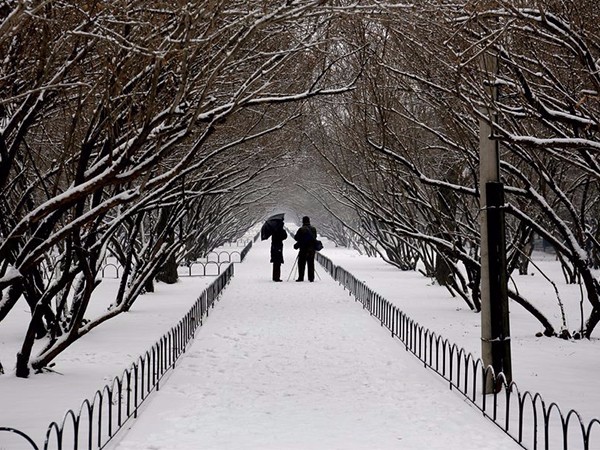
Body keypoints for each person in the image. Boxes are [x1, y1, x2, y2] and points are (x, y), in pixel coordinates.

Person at [293, 216, 317, 282]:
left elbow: (296, 238)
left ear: (303, 221)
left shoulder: (301, 229)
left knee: (301, 264)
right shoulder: (313, 229)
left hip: (303, 249)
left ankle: (301, 277)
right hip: (311, 249)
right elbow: (315, 237)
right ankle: (311, 278)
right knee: (311, 264)